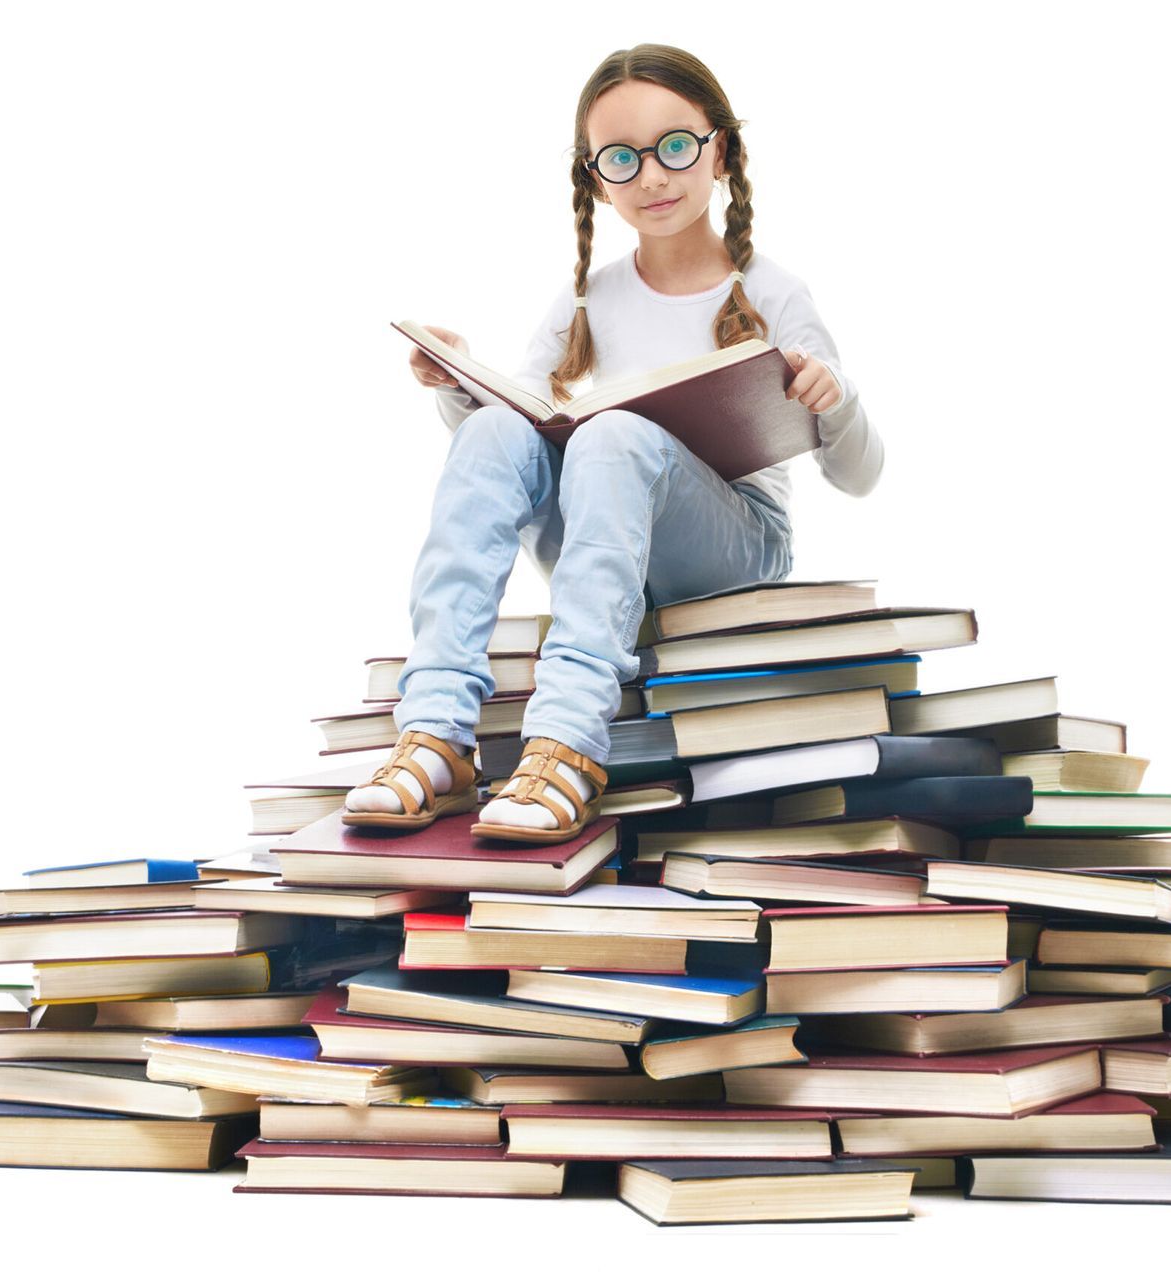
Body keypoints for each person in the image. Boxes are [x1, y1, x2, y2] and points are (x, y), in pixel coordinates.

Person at [342, 43, 883, 844]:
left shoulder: (770, 291)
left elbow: (859, 474)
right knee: (497, 430)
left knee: (617, 433)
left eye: (674, 146)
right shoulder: (584, 300)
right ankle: (436, 733)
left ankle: (566, 742)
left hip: (733, 549)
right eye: (622, 159)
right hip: (602, 533)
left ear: (719, 150)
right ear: (596, 176)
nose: (653, 177)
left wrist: (833, 399)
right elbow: (514, 448)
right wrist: (460, 387)